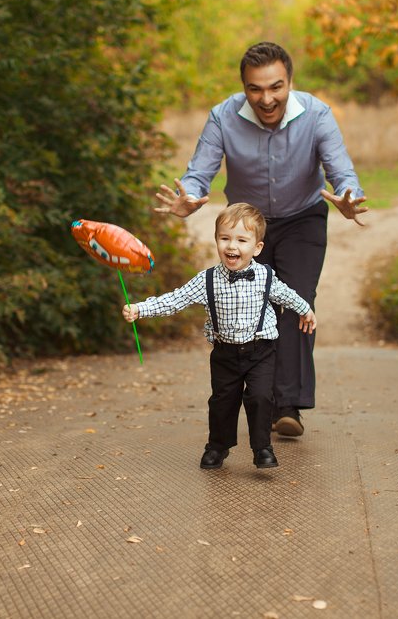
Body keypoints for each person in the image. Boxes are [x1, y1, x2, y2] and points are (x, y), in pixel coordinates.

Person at [153, 41, 367, 438]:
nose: (266, 98)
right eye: (255, 89)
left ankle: (288, 405)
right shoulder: (223, 117)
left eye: (275, 87)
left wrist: (348, 197)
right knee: (252, 304)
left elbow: (341, 171)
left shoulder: (317, 114)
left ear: (290, 81)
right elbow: (199, 172)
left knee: (296, 300)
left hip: (303, 220)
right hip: (248, 225)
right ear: (244, 88)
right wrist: (190, 196)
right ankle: (261, 401)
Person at [122, 203, 317, 470]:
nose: (231, 246)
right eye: (224, 238)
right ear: (216, 240)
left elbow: (287, 295)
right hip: (225, 353)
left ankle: (262, 448)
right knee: (222, 401)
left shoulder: (265, 276)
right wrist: (140, 309)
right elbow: (176, 300)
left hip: (261, 351)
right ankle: (217, 446)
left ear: (257, 248)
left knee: (260, 397)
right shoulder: (207, 280)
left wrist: (305, 310)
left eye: (241, 240)